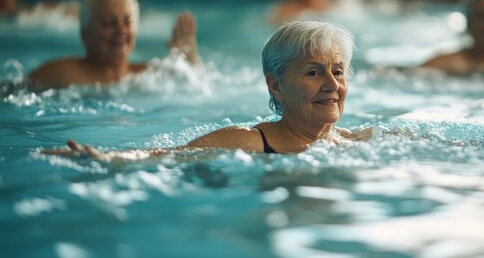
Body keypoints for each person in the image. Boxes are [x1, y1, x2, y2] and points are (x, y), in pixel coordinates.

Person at [43, 20, 370, 159]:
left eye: (338, 71)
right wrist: (104, 158)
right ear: (277, 86)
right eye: (314, 72)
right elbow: (166, 158)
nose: (332, 84)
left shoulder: (354, 140)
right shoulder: (250, 142)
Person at [27, 0, 201, 89]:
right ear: (84, 33)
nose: (121, 30)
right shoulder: (59, 76)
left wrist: (191, 60)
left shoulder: (150, 78)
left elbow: (199, 85)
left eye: (128, 22)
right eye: (109, 23)